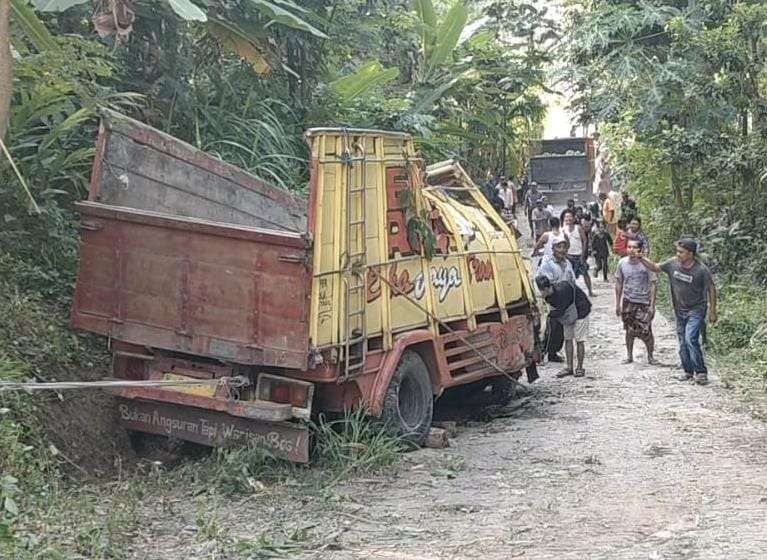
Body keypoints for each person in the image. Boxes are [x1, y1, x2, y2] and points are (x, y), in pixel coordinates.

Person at [637, 239, 717, 385]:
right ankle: (688, 371)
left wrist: (712, 310)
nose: (678, 254)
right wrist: (641, 258)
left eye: (681, 252)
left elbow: (711, 288)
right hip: (679, 309)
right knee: (682, 342)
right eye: (678, 251)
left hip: (696, 309)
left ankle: (701, 372)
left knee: (691, 339)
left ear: (691, 254)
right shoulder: (673, 263)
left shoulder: (701, 270)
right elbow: (655, 267)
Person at [535, 275, 592, 378]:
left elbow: (558, 312)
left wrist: (545, 315)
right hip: (568, 314)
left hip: (581, 310)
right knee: (568, 339)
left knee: (579, 340)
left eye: (541, 291)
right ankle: (569, 367)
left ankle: (579, 367)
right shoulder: (549, 295)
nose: (540, 294)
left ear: (546, 289)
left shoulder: (561, 292)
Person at [615, 239, 658, 365]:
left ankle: (650, 356)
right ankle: (629, 356)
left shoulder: (646, 265)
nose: (631, 250)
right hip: (628, 300)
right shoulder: (622, 263)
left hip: (643, 301)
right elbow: (619, 283)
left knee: (646, 331)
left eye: (634, 248)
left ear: (640, 250)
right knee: (629, 330)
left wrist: (652, 305)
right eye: (629, 247)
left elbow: (653, 284)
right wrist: (618, 304)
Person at [537, 239, 576, 364]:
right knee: (549, 327)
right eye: (559, 247)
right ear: (553, 249)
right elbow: (545, 284)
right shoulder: (547, 264)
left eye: (564, 247)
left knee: (561, 329)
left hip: (564, 301)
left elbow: (572, 280)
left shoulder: (567, 263)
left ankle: (553, 353)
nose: (562, 250)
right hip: (551, 300)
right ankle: (542, 353)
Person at [562, 209, 595, 297]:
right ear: (564, 219)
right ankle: (571, 294)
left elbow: (584, 241)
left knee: (585, 273)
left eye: (570, 216)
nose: (568, 218)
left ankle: (590, 291)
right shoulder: (563, 230)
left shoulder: (578, 228)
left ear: (573, 218)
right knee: (570, 275)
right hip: (568, 256)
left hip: (579, 255)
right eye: (566, 217)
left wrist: (583, 255)